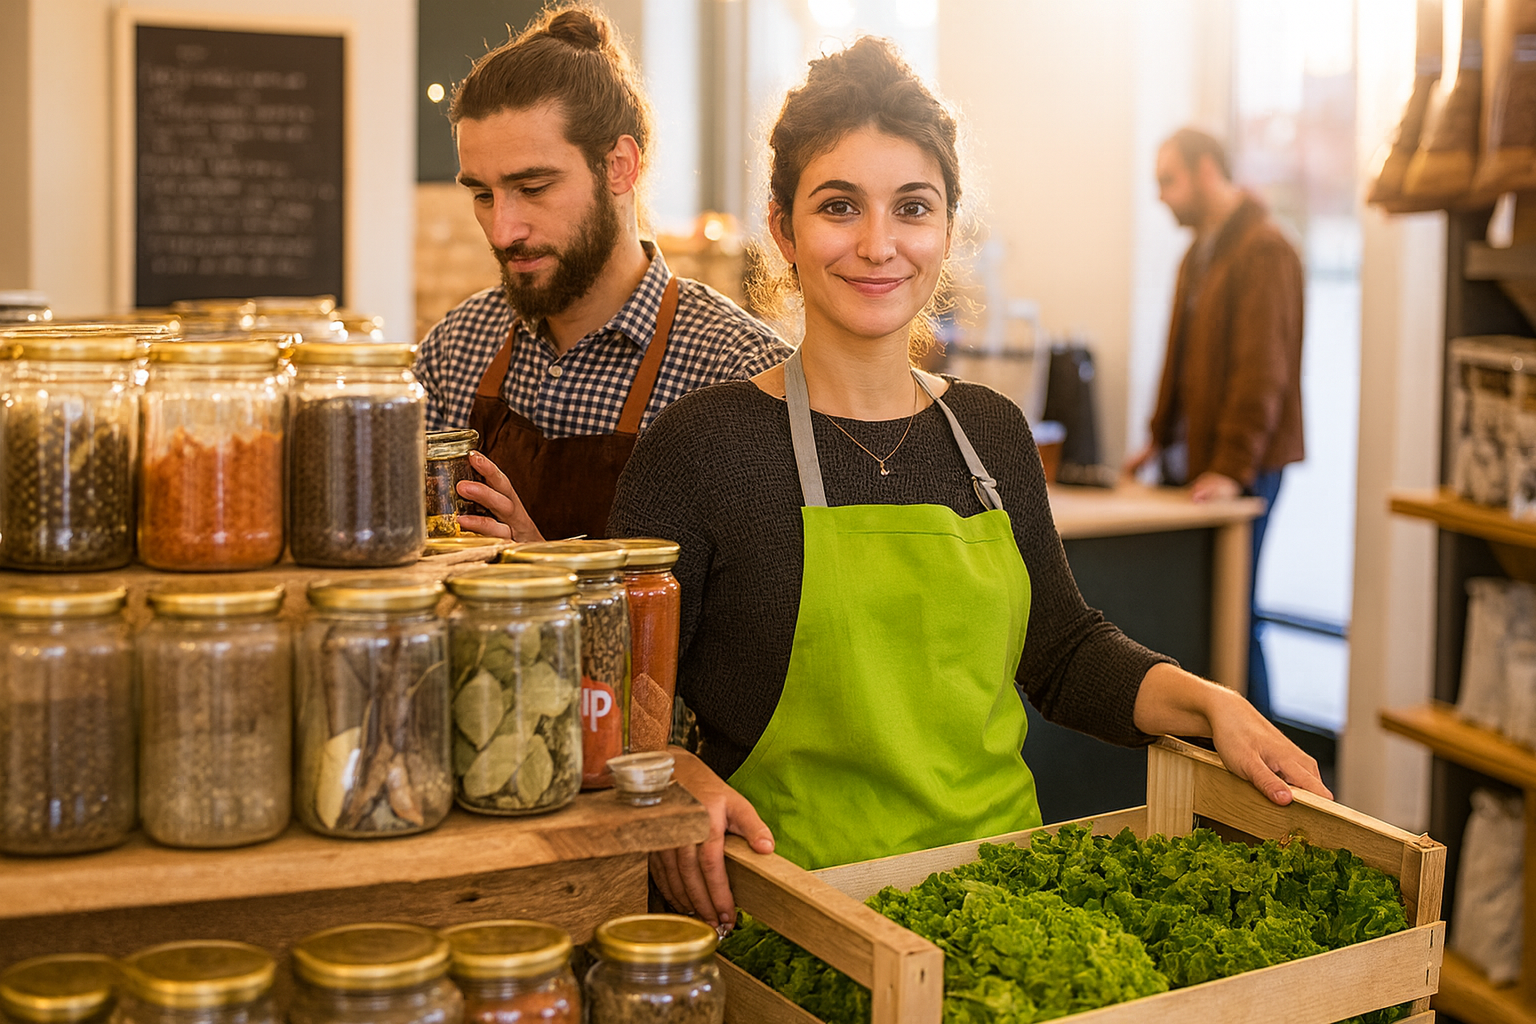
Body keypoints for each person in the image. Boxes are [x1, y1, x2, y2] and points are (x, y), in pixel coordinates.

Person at [609, 38, 1329, 928]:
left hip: (996, 902)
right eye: (840, 206)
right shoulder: (702, 444)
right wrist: (676, 776)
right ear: (783, 228)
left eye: (912, 207)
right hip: (796, 917)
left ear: (947, 228)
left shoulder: (988, 429)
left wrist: (1210, 703)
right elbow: (610, 689)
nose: (878, 245)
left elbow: (1061, 652)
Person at [416, 4, 788, 543]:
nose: (502, 231)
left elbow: (747, 622)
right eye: (482, 194)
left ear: (619, 166)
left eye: (534, 188)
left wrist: (545, 572)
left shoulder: (738, 373)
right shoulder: (455, 350)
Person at [1124, 128, 1306, 720]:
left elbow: (1264, 373)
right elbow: (1179, 360)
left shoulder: (1265, 250)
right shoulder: (1199, 253)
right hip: (1203, 462)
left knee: (1235, 616)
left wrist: (1231, 467)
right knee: (1201, 611)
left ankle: (1277, 778)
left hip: (1245, 465)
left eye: (1167, 181)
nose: (1160, 197)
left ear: (1207, 172)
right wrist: (1155, 438)